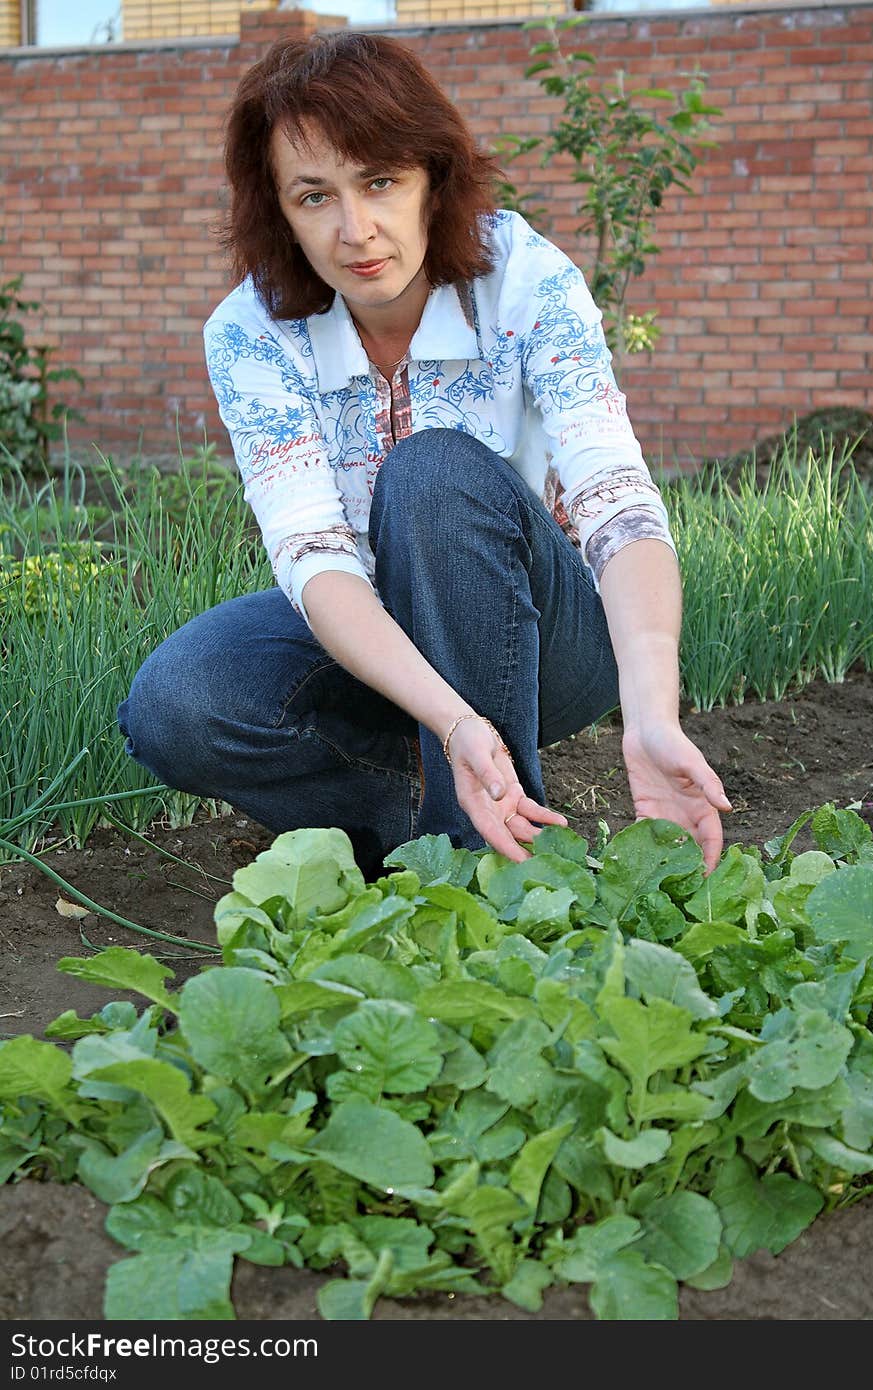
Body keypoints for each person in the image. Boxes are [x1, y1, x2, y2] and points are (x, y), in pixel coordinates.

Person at [117, 30, 731, 881]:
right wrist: (452, 724)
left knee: (432, 473)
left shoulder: (521, 280)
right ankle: (422, 822)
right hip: (380, 637)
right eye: (314, 197)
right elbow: (316, 558)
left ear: (432, 180)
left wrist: (652, 712)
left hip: (546, 639)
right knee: (178, 701)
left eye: (380, 181)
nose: (355, 230)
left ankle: (483, 879)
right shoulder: (252, 334)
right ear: (278, 209)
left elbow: (615, 499)